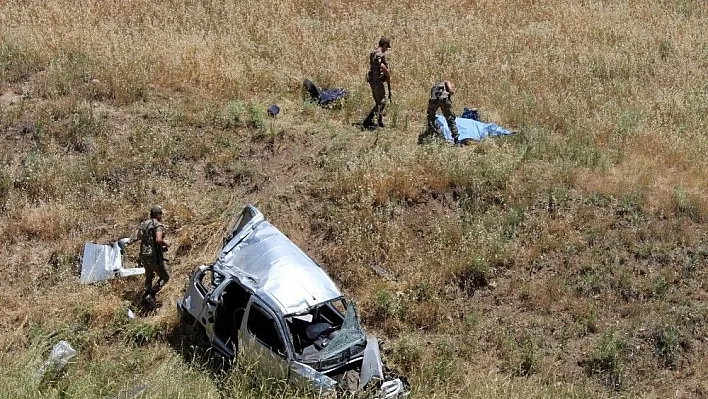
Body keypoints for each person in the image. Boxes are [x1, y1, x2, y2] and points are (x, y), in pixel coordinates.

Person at [137, 205, 170, 307]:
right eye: (160, 214)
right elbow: (159, 240)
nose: (161, 216)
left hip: (144, 255)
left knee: (149, 276)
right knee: (165, 277)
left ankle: (145, 296)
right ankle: (151, 294)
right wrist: (166, 243)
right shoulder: (158, 225)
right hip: (154, 257)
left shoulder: (144, 224)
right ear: (157, 215)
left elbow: (139, 237)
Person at [362, 37, 392, 130]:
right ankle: (368, 120)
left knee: (378, 102)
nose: (386, 49)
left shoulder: (373, 52)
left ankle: (379, 120)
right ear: (384, 45)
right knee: (382, 102)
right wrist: (387, 73)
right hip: (377, 81)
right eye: (386, 47)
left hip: (372, 80)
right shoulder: (379, 54)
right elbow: (381, 65)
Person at [422, 80, 460, 145]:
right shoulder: (446, 82)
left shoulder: (435, 86)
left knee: (431, 117)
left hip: (433, 101)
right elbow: (451, 91)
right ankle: (456, 140)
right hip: (444, 100)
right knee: (450, 118)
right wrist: (449, 92)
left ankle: (433, 134)